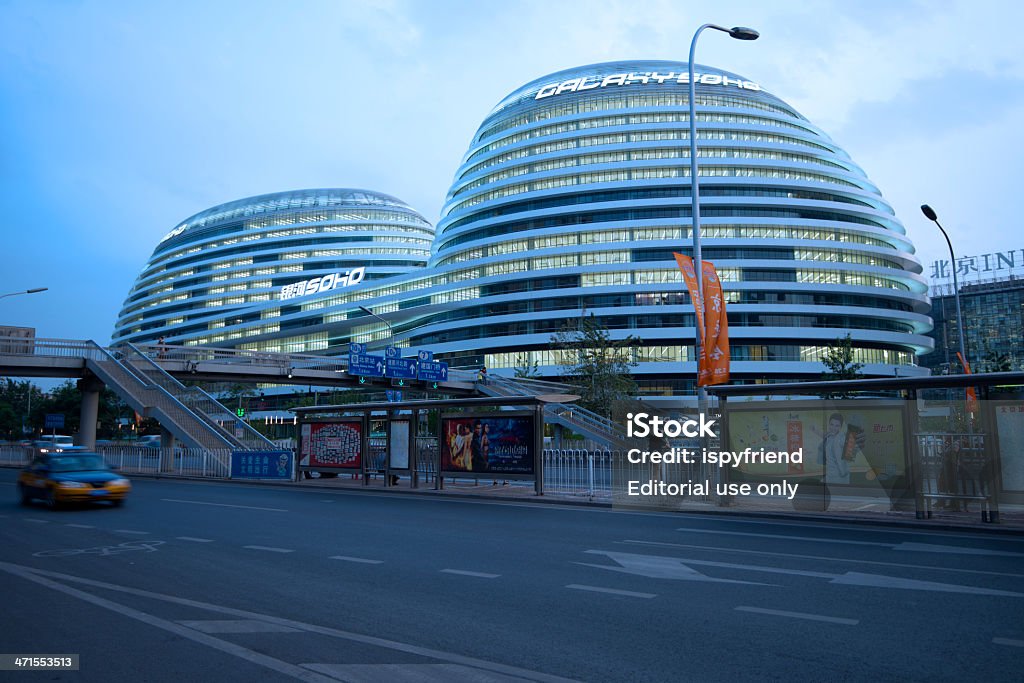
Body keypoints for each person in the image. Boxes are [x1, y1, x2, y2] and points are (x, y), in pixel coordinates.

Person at [815, 412, 864, 485]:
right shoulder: (830, 436)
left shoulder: (841, 438)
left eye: (837, 426)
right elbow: (824, 435)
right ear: (829, 424)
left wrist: (856, 445)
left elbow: (852, 448)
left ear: (840, 427)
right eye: (832, 424)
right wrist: (815, 430)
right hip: (830, 475)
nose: (833, 428)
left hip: (839, 477)